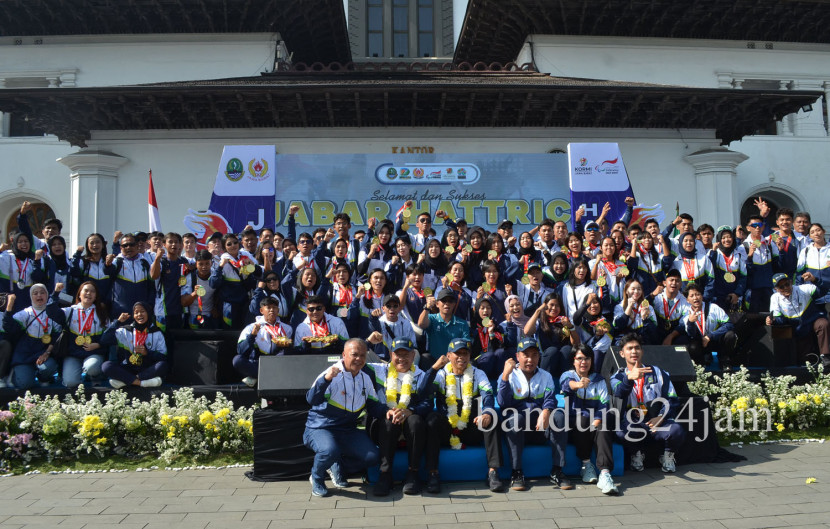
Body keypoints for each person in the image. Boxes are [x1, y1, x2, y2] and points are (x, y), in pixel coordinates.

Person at [303, 338, 384, 497]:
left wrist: (388, 412)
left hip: (346, 430)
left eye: (362, 355)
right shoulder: (331, 374)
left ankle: (337, 465)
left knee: (372, 457)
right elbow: (311, 400)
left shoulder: (365, 378)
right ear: (344, 355)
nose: (359, 359)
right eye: (354, 354)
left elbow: (374, 406)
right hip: (320, 427)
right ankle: (317, 478)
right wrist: (325, 380)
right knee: (329, 451)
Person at [422, 339, 504, 493]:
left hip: (470, 426)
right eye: (457, 354)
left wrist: (486, 412)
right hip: (447, 427)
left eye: (465, 353)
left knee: (492, 418)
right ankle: (433, 473)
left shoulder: (478, 373)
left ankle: (493, 472)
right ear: (448, 356)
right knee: (432, 420)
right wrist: (433, 368)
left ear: (469, 356)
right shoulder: (441, 374)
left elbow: (487, 395)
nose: (461, 357)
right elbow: (423, 391)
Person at [497, 338, 571, 492]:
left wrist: (546, 411)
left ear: (539, 357)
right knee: (515, 419)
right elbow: (503, 403)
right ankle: (516, 473)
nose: (530, 359)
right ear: (518, 356)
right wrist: (505, 375)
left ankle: (557, 471)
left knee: (559, 416)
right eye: (526, 355)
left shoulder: (546, 376)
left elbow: (550, 398)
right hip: (518, 427)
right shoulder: (509, 374)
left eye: (534, 355)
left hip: (540, 428)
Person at [611, 333, 685, 473]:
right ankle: (636, 454)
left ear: (642, 351)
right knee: (621, 432)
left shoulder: (658, 372)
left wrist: (661, 417)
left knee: (676, 430)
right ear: (622, 353)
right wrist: (629, 379)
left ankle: (668, 455)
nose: (634, 351)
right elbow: (618, 395)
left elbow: (672, 399)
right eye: (630, 348)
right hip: (634, 421)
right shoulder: (617, 377)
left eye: (637, 348)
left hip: (657, 419)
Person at [365, 338, 431, 496]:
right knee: (388, 422)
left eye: (406, 354)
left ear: (413, 355)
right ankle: (385, 474)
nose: (401, 358)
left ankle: (413, 474)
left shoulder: (420, 375)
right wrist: (367, 343)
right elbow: (353, 358)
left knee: (415, 421)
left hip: (409, 423)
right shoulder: (378, 370)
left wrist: (411, 411)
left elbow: (428, 403)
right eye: (397, 354)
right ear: (390, 354)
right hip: (384, 422)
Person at [559, 344, 619, 495]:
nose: (583, 362)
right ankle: (586, 465)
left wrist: (598, 419)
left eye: (587, 358)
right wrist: (578, 385)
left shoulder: (599, 380)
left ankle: (605, 473)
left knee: (604, 424)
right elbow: (566, 385)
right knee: (582, 420)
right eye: (579, 358)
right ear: (573, 361)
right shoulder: (568, 375)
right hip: (575, 422)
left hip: (595, 421)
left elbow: (604, 403)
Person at [48, 281, 109, 388]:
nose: (89, 293)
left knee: (92, 367)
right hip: (73, 353)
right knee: (70, 383)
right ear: (79, 294)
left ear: (96, 296)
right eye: (86, 290)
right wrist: (56, 293)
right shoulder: (70, 311)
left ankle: (95, 377)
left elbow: (109, 335)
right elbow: (51, 311)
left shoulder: (101, 312)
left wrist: (98, 344)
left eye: (92, 291)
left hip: (93, 352)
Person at [767, 273, 829, 368]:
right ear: (776, 289)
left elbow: (824, 290)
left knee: (823, 323)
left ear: (791, 282)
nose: (786, 288)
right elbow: (779, 319)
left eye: (787, 284)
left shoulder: (804, 289)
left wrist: (815, 280)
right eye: (781, 287)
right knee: (805, 362)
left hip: (813, 321)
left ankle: (826, 356)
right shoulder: (775, 298)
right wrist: (773, 320)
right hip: (798, 330)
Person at [100, 302, 168, 388]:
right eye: (136, 312)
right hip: (128, 369)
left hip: (146, 369)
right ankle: (142, 383)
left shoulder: (156, 332)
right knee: (106, 366)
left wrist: (147, 353)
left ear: (148, 313)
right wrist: (118, 322)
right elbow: (104, 340)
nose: (139, 314)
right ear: (133, 315)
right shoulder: (125, 331)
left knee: (163, 365)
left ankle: (128, 381)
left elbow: (163, 357)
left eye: (142, 311)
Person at [3, 287, 60, 389]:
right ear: (31, 296)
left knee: (49, 367)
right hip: (25, 353)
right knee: (25, 384)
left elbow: (57, 337)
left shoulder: (54, 314)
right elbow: (8, 326)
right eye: (35, 293)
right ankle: (16, 374)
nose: (39, 295)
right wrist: (9, 306)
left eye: (42, 293)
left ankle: (44, 378)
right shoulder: (25, 313)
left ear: (47, 296)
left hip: (43, 352)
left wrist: (47, 353)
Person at [235, 297, 293, 387]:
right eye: (268, 307)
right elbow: (241, 350)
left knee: (288, 354)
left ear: (278, 310)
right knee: (237, 360)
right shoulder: (251, 327)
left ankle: (257, 377)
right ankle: (269, 376)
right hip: (258, 363)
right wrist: (252, 335)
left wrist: (285, 345)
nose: (272, 310)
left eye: (274, 307)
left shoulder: (287, 328)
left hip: (277, 361)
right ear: (261, 310)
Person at [683, 282, 737, 368]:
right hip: (701, 343)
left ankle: (725, 361)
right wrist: (691, 322)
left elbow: (729, 324)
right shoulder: (686, 313)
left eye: (698, 294)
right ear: (687, 299)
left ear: (702, 296)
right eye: (692, 296)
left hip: (715, 340)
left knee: (730, 335)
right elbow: (691, 335)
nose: (695, 298)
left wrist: (711, 336)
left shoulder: (713, 308)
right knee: (692, 346)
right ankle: (700, 364)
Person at [417, 288, 470, 370]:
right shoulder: (432, 318)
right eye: (444, 300)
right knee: (425, 357)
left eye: (450, 301)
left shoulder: (462, 324)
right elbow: (421, 324)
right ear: (437, 304)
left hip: (455, 363)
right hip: (434, 362)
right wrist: (427, 307)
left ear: (454, 304)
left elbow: (466, 346)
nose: (447, 303)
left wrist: (452, 359)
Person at [105, 233, 155, 320]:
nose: (128, 247)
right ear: (121, 248)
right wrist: (107, 264)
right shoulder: (117, 261)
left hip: (142, 312)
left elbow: (151, 286)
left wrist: (150, 304)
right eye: (125, 245)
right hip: (121, 312)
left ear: (136, 246)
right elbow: (108, 271)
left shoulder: (145, 262)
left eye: (131, 245)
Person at [149, 232, 189, 331]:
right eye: (170, 242)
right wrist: (157, 258)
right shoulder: (161, 261)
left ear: (180, 245)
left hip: (180, 311)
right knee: (163, 341)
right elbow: (153, 276)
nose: (174, 245)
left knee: (178, 343)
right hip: (163, 311)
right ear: (164, 245)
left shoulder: (184, 262)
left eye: (176, 242)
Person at [0, 232, 46, 313]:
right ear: (15, 243)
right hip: (8, 303)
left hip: (26, 303)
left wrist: (37, 262)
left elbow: (37, 277)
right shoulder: (6, 256)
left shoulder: (33, 260)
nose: (24, 244)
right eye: (20, 242)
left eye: (26, 241)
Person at [707, 225, 747, 313]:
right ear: (719, 239)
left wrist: (737, 293)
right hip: (718, 297)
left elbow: (743, 277)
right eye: (723, 237)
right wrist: (713, 252)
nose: (727, 240)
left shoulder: (739, 254)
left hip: (735, 297)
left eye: (729, 237)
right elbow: (709, 272)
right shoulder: (713, 252)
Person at [366, 294, 416, 361]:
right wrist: (372, 318)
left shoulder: (406, 323)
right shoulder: (378, 322)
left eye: (395, 306)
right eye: (388, 306)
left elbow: (413, 344)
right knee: (366, 353)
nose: (392, 309)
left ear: (399, 308)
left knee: (416, 353)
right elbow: (373, 329)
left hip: (401, 359)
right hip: (382, 360)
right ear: (383, 308)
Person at [182, 250, 220, 329]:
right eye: (201, 264)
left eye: (207, 263)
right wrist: (194, 293)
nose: (204, 267)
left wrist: (216, 307)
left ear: (211, 264)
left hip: (211, 316)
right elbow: (183, 302)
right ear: (196, 264)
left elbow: (220, 293)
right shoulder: (190, 278)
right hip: (194, 316)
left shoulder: (215, 276)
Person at [653, 269, 690, 346]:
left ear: (680, 284)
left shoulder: (685, 301)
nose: (674, 283)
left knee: (685, 339)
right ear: (665, 283)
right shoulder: (657, 297)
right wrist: (652, 295)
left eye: (677, 281)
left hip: (674, 333)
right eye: (671, 280)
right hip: (658, 331)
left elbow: (683, 324)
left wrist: (671, 336)